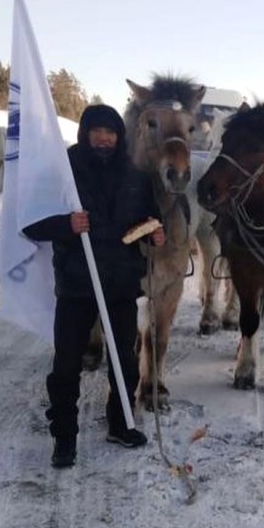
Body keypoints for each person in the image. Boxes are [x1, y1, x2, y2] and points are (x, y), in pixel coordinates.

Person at [23, 104, 165, 469]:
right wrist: (65, 224)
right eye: (96, 131)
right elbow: (31, 223)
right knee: (67, 365)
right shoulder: (63, 172)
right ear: (85, 133)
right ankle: (65, 437)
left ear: (120, 136)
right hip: (76, 285)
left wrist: (156, 230)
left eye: (111, 132)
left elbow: (150, 218)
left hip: (119, 284)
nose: (104, 139)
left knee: (125, 361)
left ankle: (120, 424)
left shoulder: (135, 174)